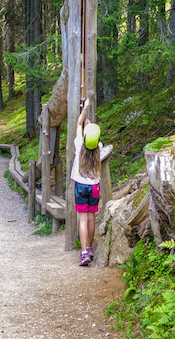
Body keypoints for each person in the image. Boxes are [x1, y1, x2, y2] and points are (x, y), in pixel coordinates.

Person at [71, 98, 102, 266]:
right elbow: (92, 139)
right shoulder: (99, 147)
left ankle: (84, 254)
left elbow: (78, 125)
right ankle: (89, 248)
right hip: (94, 186)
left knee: (82, 219)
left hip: (81, 186)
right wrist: (89, 129)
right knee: (91, 218)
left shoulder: (79, 145)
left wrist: (85, 108)